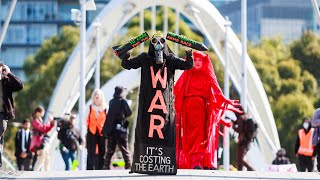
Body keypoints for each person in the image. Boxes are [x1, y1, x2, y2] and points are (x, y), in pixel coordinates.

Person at [120, 32, 193, 175]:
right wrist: (127, 53)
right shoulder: (144, 58)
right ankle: (145, 164)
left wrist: (189, 51)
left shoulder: (170, 59)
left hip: (163, 106)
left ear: (166, 43)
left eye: (162, 41)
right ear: (151, 43)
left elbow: (188, 65)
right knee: (147, 129)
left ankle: (162, 164)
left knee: (163, 131)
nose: (159, 44)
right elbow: (126, 65)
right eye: (155, 40)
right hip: (149, 106)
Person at [174, 51, 240, 169]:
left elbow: (217, 92)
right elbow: (176, 89)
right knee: (187, 138)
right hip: (187, 112)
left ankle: (196, 162)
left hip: (201, 112)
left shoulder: (208, 77)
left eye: (200, 60)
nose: (198, 62)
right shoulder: (187, 75)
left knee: (199, 137)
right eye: (195, 60)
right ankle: (189, 162)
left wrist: (226, 101)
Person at [0, 61, 23, 167]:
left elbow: (20, 86)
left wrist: (9, 73)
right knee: (1, 139)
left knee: (1, 129)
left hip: (2, 113)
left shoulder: (7, 81)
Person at [103, 86, 132, 170]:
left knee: (110, 149)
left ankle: (106, 166)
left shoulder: (111, 101)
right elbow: (129, 112)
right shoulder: (123, 101)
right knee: (124, 148)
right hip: (121, 129)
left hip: (111, 130)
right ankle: (128, 165)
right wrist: (123, 116)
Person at [86, 89, 107, 170]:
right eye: (95, 95)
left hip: (102, 132)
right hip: (92, 132)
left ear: (101, 96)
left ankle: (102, 168)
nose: (97, 96)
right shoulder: (90, 107)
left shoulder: (105, 108)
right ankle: (90, 169)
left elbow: (108, 120)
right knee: (91, 151)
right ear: (93, 97)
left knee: (103, 151)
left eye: (98, 95)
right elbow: (85, 119)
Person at [30, 106, 55, 171]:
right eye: (42, 112)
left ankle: (47, 171)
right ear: (38, 113)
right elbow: (43, 129)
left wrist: (50, 123)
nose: (43, 114)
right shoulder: (35, 120)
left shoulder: (38, 120)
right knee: (42, 158)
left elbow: (45, 129)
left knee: (47, 157)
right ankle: (35, 171)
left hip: (41, 142)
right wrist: (49, 122)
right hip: (38, 143)